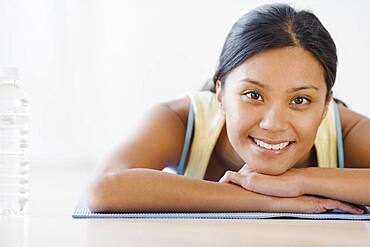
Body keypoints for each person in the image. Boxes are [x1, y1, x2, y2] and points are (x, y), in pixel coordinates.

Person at [87, 3, 370, 214]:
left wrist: (300, 181)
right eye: (252, 94)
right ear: (220, 94)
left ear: (325, 106)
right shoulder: (181, 119)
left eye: (299, 100)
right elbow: (105, 188)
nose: (273, 123)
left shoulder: (345, 130)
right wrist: (266, 199)